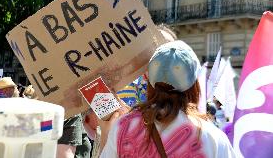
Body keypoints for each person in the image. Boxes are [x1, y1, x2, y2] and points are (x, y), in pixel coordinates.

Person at [98, 40, 236, 157]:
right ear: (194, 84)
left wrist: (105, 131)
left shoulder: (123, 127)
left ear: (148, 80)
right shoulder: (212, 137)